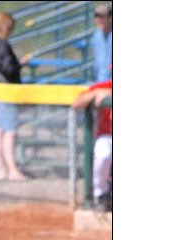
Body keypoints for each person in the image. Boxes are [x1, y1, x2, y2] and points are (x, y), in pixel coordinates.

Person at [0, 11, 30, 181]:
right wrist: (19, 64)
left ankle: (2, 169)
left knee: (1, 131)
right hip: (7, 91)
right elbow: (9, 70)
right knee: (9, 131)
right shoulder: (2, 45)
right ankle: (11, 170)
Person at [71, 80, 112, 210]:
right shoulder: (105, 86)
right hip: (108, 135)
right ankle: (100, 194)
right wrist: (96, 93)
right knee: (103, 153)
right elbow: (76, 103)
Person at [91, 5, 112, 83]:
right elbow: (98, 64)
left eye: (102, 17)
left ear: (110, 18)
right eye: (96, 16)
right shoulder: (97, 36)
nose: (99, 19)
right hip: (100, 81)